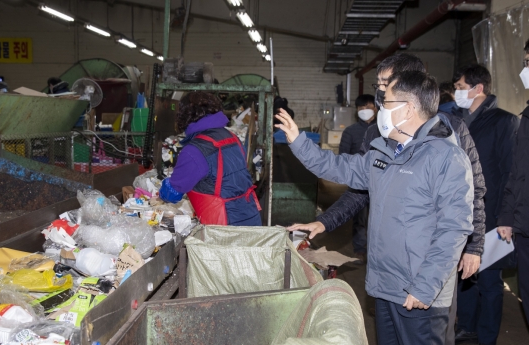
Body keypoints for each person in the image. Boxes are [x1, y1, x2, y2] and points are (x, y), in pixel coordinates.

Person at [277, 70, 474, 345]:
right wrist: (298, 142)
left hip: (419, 294)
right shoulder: (383, 153)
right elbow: (337, 167)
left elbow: (454, 229)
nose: (380, 109)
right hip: (385, 287)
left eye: (387, 103)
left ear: (409, 108)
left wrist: (425, 287)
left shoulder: (446, 158)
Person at [453, 64, 520, 345]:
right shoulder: (458, 119)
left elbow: (511, 172)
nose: (456, 93)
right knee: (465, 274)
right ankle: (466, 326)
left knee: (490, 281)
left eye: (459, 87)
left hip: (492, 214)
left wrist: (507, 216)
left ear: (477, 88)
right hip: (461, 212)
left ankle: (487, 336)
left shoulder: (503, 121)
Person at [158, 91, 262, 226]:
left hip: (226, 227)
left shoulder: (194, 150)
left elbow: (172, 193)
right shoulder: (232, 137)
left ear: (184, 116)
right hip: (252, 218)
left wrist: (163, 190)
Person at [497, 38, 529, 327]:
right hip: (524, 229)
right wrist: (508, 216)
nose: (525, 70)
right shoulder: (527, 116)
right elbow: (517, 172)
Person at [338, 94, 377, 264]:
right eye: (361, 108)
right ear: (357, 111)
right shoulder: (350, 131)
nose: (365, 111)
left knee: (378, 217)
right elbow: (343, 156)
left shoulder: (383, 130)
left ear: (375, 108)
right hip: (358, 183)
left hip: (380, 181)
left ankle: (376, 251)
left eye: (368, 107)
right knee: (360, 218)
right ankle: (360, 250)